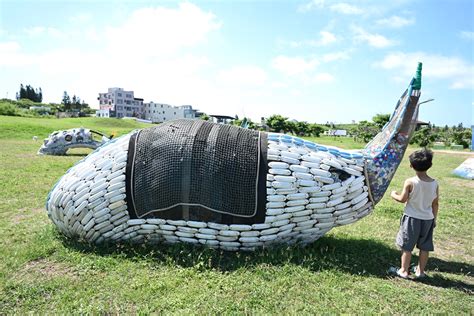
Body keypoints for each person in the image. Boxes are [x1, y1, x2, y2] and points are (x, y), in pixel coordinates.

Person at [390, 149, 439, 279]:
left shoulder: (410, 182)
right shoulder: (434, 183)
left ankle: (404, 271)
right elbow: (435, 203)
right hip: (428, 219)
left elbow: (402, 199)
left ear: (411, 166)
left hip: (411, 218)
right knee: (425, 247)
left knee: (407, 246)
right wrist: (434, 219)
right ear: (430, 165)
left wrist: (393, 194)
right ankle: (420, 271)